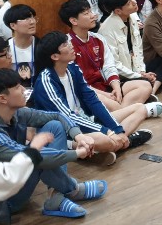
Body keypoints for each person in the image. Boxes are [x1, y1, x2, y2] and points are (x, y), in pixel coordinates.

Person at [0, 69, 100, 222]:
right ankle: (72, 189)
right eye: (17, 88)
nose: (24, 90)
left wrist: (78, 136)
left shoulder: (16, 112)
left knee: (54, 126)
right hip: (2, 202)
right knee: (34, 158)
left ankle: (56, 195)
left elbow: (57, 116)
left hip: (17, 180)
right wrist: (77, 153)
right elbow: (31, 156)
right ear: (2, 98)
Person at [30, 33, 152, 164]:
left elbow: (92, 100)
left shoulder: (72, 68)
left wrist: (117, 130)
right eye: (65, 45)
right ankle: (120, 142)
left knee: (140, 109)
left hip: (85, 120)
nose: (71, 46)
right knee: (103, 138)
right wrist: (107, 132)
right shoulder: (46, 81)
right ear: (55, 56)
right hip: (67, 131)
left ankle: (111, 146)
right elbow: (67, 117)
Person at [59, 0, 157, 113]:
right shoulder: (68, 46)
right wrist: (106, 95)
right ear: (74, 21)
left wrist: (116, 88)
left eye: (91, 11)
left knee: (145, 86)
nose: (93, 15)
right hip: (88, 92)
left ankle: (122, 112)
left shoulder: (98, 39)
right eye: (86, 13)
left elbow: (109, 67)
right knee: (108, 102)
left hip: (106, 86)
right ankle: (132, 111)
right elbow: (77, 83)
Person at [98, 0, 162, 96]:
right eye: (129, 3)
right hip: (121, 77)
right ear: (118, 11)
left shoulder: (132, 18)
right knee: (146, 82)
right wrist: (139, 76)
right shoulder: (106, 30)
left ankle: (149, 87)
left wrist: (142, 72)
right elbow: (115, 65)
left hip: (135, 70)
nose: (134, 2)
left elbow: (138, 49)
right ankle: (149, 88)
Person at [4, 4, 39, 88]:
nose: (32, 22)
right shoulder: (4, 48)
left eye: (33, 18)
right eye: (26, 19)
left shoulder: (42, 46)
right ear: (13, 25)